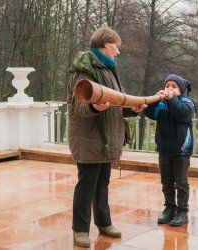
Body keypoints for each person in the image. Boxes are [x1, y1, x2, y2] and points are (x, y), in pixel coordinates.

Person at [67, 26, 146, 248]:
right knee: (86, 185)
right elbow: (78, 107)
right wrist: (95, 109)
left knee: (102, 183)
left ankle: (104, 223)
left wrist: (132, 109)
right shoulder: (83, 69)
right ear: (104, 44)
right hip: (89, 139)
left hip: (106, 138)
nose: (118, 52)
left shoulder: (108, 69)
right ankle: (80, 230)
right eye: (115, 46)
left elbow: (115, 103)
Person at [144, 74, 198, 227]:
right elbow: (149, 112)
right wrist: (155, 98)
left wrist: (172, 98)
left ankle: (182, 211)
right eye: (167, 86)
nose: (169, 89)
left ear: (180, 89)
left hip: (181, 150)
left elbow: (182, 114)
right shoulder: (163, 103)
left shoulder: (187, 102)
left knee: (181, 183)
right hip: (164, 149)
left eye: (174, 86)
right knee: (166, 182)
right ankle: (169, 208)